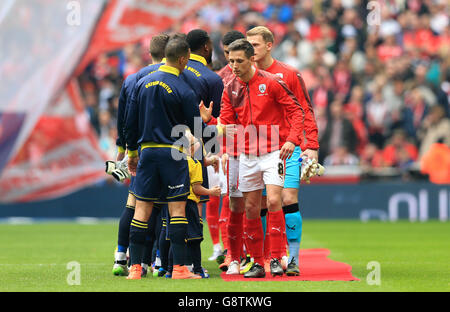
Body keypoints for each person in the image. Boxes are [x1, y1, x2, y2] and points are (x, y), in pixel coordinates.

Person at [219, 39, 304, 278]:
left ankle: (276, 258)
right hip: (246, 155)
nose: (234, 66)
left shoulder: (272, 82)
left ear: (252, 59)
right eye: (231, 61)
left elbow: (296, 111)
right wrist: (211, 124)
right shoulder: (230, 88)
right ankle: (257, 262)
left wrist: (292, 140)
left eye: (239, 61)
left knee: (275, 201)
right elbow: (226, 122)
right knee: (251, 207)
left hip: (273, 151)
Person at [124, 38, 205, 280]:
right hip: (173, 153)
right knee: (177, 209)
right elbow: (196, 129)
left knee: (142, 210)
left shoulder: (142, 83)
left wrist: (132, 154)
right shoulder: (184, 88)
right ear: (182, 59)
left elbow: (130, 122)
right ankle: (179, 268)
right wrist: (206, 120)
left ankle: (135, 268)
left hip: (147, 152)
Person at [246, 26, 319, 276]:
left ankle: (294, 258)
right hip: (256, 149)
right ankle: (269, 257)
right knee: (263, 203)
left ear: (269, 45)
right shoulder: (245, 76)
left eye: (255, 45)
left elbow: (305, 110)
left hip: (287, 148)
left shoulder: (288, 74)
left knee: (287, 199)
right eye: (248, 44)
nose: (251, 49)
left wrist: (312, 146)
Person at [112, 34, 170, 277]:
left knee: (135, 203)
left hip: (140, 150)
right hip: (170, 150)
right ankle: (157, 260)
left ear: (150, 53)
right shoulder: (176, 77)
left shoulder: (132, 78)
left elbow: (123, 117)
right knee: (163, 207)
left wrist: (123, 148)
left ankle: (121, 257)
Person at [204, 30, 245, 264]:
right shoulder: (219, 78)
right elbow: (214, 115)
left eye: (235, 54)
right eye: (228, 53)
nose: (231, 59)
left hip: (249, 143)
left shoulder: (256, 74)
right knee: (218, 197)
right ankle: (222, 247)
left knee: (243, 199)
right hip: (221, 144)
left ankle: (241, 250)